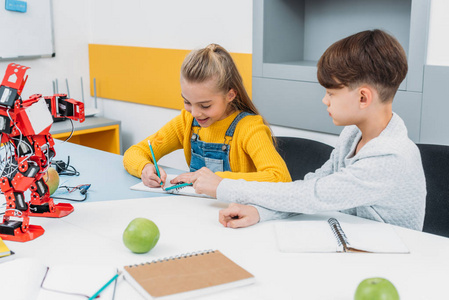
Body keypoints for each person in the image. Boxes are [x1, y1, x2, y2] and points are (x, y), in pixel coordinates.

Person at [189, 30, 427, 231]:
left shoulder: (390, 158)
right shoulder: (353, 136)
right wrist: (262, 213)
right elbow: (313, 188)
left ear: (363, 97)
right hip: (354, 244)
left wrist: (223, 186)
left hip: (390, 263)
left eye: (331, 93)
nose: (325, 100)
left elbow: (314, 195)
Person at [123, 44, 291, 188]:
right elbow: (135, 152)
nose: (195, 113)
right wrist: (144, 168)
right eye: (187, 102)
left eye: (205, 105)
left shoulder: (249, 128)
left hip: (237, 214)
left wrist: (217, 180)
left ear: (230, 95)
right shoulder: (186, 122)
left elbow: (280, 178)